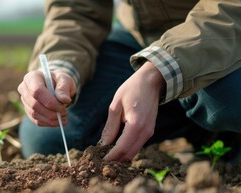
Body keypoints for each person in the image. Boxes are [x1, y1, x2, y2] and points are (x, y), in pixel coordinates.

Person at [17, 0, 241, 162]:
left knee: (229, 100)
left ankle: (223, 135)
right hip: (140, 38)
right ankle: (201, 128)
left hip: (225, 30)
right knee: (48, 138)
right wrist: (61, 66)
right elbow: (76, 8)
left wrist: (159, 70)